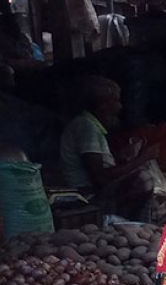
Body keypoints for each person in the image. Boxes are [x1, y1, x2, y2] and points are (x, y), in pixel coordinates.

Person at [59, 75, 159, 220]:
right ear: (103, 105)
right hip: (87, 193)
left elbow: (99, 165)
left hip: (95, 188)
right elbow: (100, 176)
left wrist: (122, 156)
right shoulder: (86, 128)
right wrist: (142, 159)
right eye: (116, 101)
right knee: (143, 179)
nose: (120, 107)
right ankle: (133, 222)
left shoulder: (89, 125)